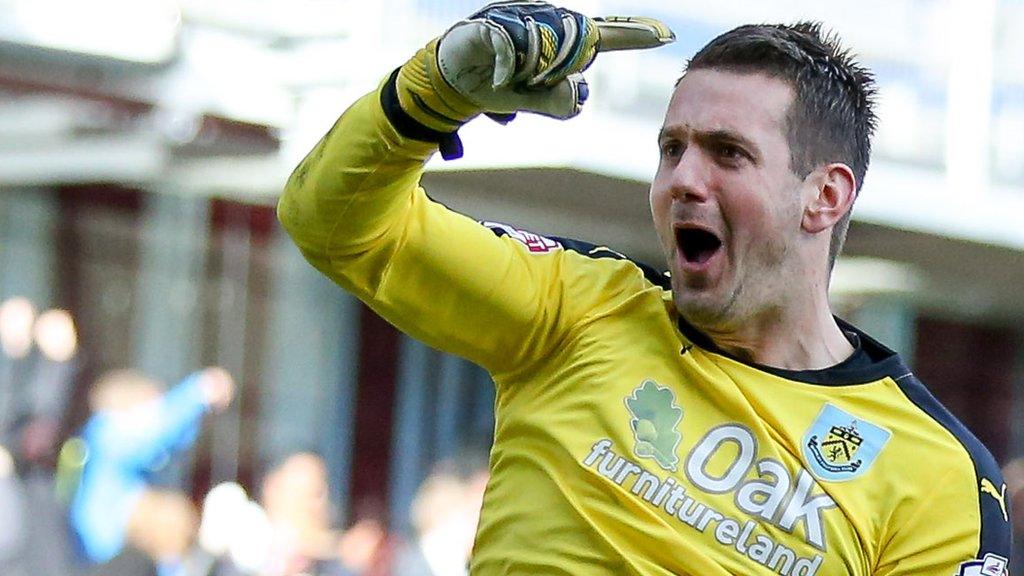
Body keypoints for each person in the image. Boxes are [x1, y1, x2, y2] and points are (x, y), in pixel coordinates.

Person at [278, 2, 1012, 574]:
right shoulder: (576, 305)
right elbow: (334, 226)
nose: (683, 181)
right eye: (672, 149)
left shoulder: (938, 473)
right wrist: (428, 94)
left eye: (728, 153)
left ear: (824, 197)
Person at [70, 367, 235, 570]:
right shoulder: (109, 436)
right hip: (105, 558)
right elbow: (154, 434)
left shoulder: (110, 448)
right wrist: (198, 392)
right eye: (154, 410)